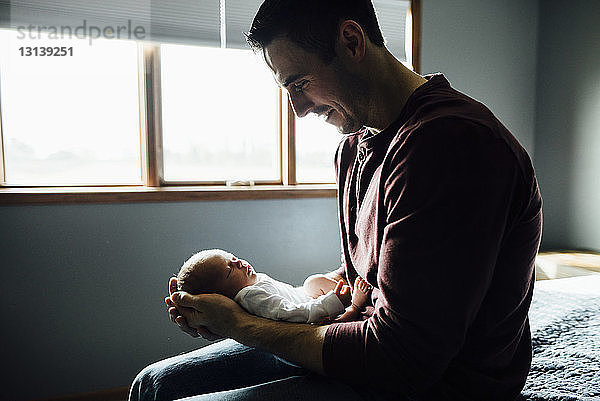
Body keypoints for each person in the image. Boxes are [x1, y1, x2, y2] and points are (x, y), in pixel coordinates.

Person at [129, 0, 542, 400]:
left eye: (299, 83)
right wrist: (236, 299)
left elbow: (407, 360)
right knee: (155, 384)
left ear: (351, 41)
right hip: (363, 345)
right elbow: (366, 276)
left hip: (434, 384)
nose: (298, 109)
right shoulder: (355, 148)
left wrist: (240, 324)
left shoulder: (452, 144)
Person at [175, 248, 373, 324]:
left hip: (305, 301)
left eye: (233, 258)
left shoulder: (250, 284)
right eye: (230, 270)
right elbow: (292, 313)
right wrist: (333, 301)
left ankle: (351, 295)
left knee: (311, 282)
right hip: (306, 319)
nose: (239, 263)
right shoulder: (250, 297)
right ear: (223, 296)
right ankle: (354, 308)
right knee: (328, 322)